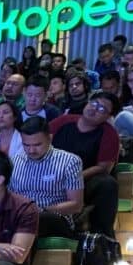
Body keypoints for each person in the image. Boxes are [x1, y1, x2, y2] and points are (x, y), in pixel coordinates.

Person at [49, 92, 121, 237]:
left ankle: (102, 237)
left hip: (84, 180)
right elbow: (41, 142)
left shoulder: (109, 133)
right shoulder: (63, 121)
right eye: (94, 103)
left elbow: (103, 167)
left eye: (102, 109)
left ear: (108, 117)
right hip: (49, 176)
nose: (94, 109)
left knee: (107, 184)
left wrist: (74, 178)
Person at [9, 117, 84, 239]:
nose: (31, 150)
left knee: (41, 219)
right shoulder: (15, 161)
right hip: (20, 218)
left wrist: (39, 210)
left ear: (50, 138)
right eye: (26, 145)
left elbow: (76, 205)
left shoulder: (69, 161)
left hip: (54, 218)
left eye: (37, 145)